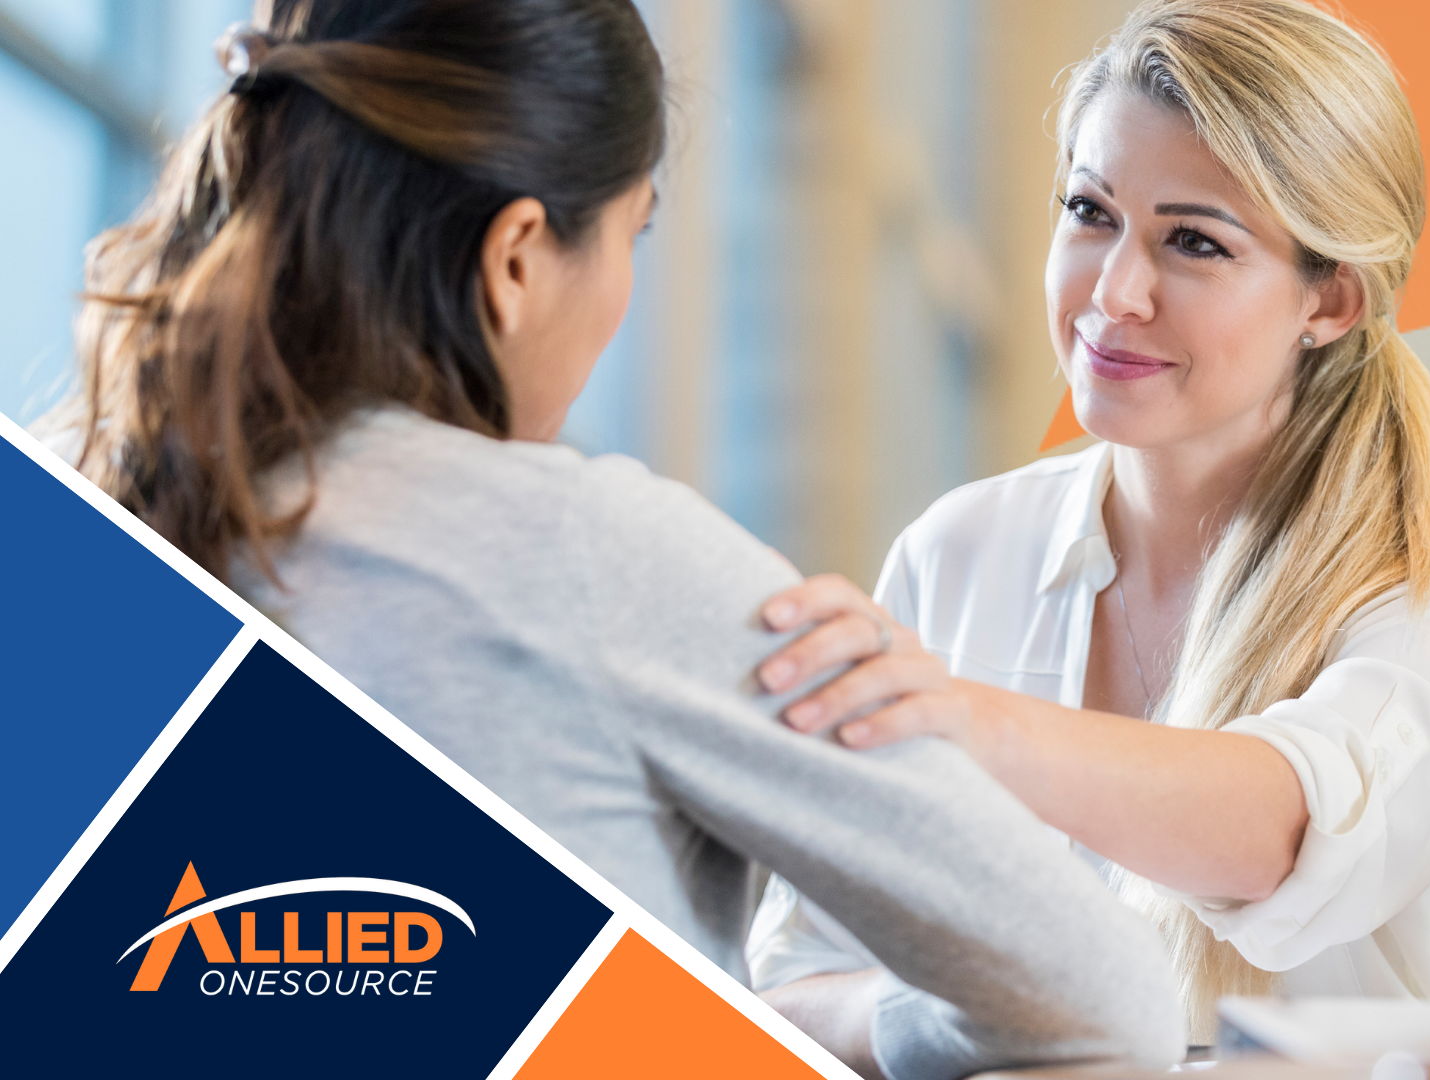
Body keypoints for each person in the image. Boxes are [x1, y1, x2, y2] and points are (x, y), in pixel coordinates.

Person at [34, 3, 1184, 1078]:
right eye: (631, 233)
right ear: (519, 256)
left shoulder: (74, 554)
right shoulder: (588, 552)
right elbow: (1109, 998)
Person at [743, 0, 1430, 1043]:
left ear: (1330, 301)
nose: (1116, 292)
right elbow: (794, 988)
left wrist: (964, 724)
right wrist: (940, 1018)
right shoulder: (957, 554)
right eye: (1090, 212)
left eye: (1195, 244)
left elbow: (1285, 828)